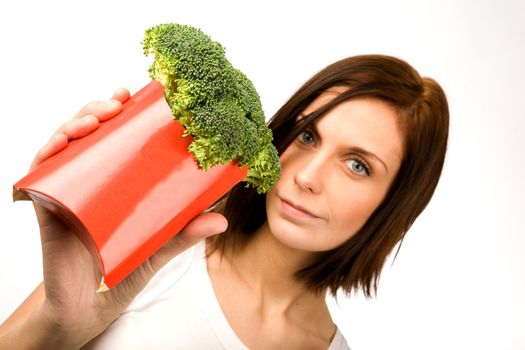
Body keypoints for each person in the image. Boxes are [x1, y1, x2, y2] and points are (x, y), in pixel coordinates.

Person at [0, 54, 448, 349]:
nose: (308, 177)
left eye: (358, 165)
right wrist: (59, 322)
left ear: (394, 205)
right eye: (308, 135)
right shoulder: (162, 248)